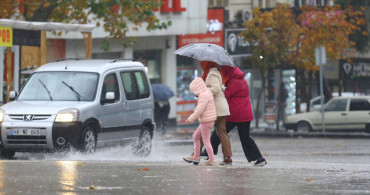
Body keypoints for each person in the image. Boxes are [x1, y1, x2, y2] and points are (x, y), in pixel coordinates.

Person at [201, 66, 267, 166]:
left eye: (224, 73)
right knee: (245, 138)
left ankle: (207, 154)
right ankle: (259, 158)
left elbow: (226, 95)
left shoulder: (234, 82)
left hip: (235, 114)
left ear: (228, 72)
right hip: (245, 114)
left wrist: (220, 87)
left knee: (219, 132)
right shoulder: (242, 80)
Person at [199, 61, 232, 165]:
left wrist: (203, 91)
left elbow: (216, 89)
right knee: (222, 132)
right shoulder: (218, 72)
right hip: (222, 107)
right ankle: (228, 157)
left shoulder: (212, 73)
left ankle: (195, 154)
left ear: (207, 64)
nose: (202, 65)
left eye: (203, 63)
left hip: (216, 108)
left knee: (202, 131)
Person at [183, 77, 217, 166]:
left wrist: (190, 119)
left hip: (206, 120)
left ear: (197, 88)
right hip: (208, 120)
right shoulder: (207, 91)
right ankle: (196, 156)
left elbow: (199, 110)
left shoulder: (203, 95)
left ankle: (212, 160)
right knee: (196, 136)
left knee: (206, 141)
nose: (194, 93)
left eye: (194, 90)